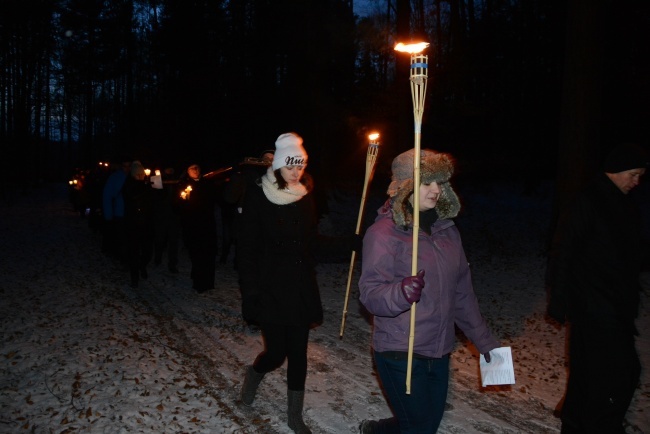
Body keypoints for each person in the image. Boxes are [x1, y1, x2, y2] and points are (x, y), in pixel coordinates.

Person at [358, 148, 499, 433]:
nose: (436, 189)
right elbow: (370, 294)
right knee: (419, 427)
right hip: (400, 350)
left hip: (440, 348)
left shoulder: (448, 232)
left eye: (440, 182)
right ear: (406, 186)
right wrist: (400, 292)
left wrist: (484, 341)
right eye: (427, 182)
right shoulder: (384, 233)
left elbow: (462, 295)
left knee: (425, 424)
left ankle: (376, 431)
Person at [547, 143, 648, 434]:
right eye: (633, 174)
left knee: (597, 373)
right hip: (593, 307)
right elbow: (563, 251)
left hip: (616, 307)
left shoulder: (623, 203)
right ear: (614, 171)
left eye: (640, 175)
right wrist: (559, 300)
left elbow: (628, 252)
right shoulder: (588, 202)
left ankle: (579, 424)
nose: (637, 181)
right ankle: (599, 425)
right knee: (614, 374)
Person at [237, 133, 319, 434]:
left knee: (299, 353)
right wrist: (251, 293)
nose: (297, 171)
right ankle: (254, 374)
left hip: (298, 287)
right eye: (291, 165)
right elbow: (246, 251)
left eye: (301, 165)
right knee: (276, 354)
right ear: (280, 164)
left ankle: (294, 415)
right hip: (270, 288)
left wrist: (349, 243)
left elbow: (312, 244)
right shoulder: (258, 196)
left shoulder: (304, 197)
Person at [221, 149, 275, 268]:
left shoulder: (281, 178)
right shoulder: (248, 175)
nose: (268, 162)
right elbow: (230, 198)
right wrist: (237, 176)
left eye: (272, 159)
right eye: (265, 159)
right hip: (249, 225)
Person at [177, 163, 219, 293]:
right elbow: (178, 205)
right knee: (196, 253)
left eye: (197, 168)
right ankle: (199, 282)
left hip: (207, 223)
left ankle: (208, 282)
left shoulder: (207, 183)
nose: (195, 171)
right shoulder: (183, 184)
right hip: (192, 224)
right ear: (187, 171)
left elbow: (213, 199)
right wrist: (184, 199)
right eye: (192, 169)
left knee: (208, 253)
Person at [123, 161, 155, 288]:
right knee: (134, 251)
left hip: (147, 222)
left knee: (147, 251)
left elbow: (154, 201)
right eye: (139, 173)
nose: (141, 175)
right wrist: (145, 187)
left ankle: (142, 265)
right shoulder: (129, 184)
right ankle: (134, 277)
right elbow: (132, 197)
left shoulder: (147, 184)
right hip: (133, 223)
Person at [102, 158, 131, 262]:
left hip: (132, 214)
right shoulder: (115, 177)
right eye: (125, 166)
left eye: (129, 166)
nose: (127, 169)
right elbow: (107, 196)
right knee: (121, 237)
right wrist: (108, 215)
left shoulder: (135, 176)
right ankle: (123, 258)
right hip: (119, 213)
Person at [153, 167, 181, 274]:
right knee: (160, 238)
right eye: (168, 168)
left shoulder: (178, 179)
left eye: (171, 168)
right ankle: (157, 258)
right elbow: (155, 195)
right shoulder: (157, 177)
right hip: (161, 215)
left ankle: (172, 264)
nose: (170, 170)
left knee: (173, 241)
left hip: (174, 215)